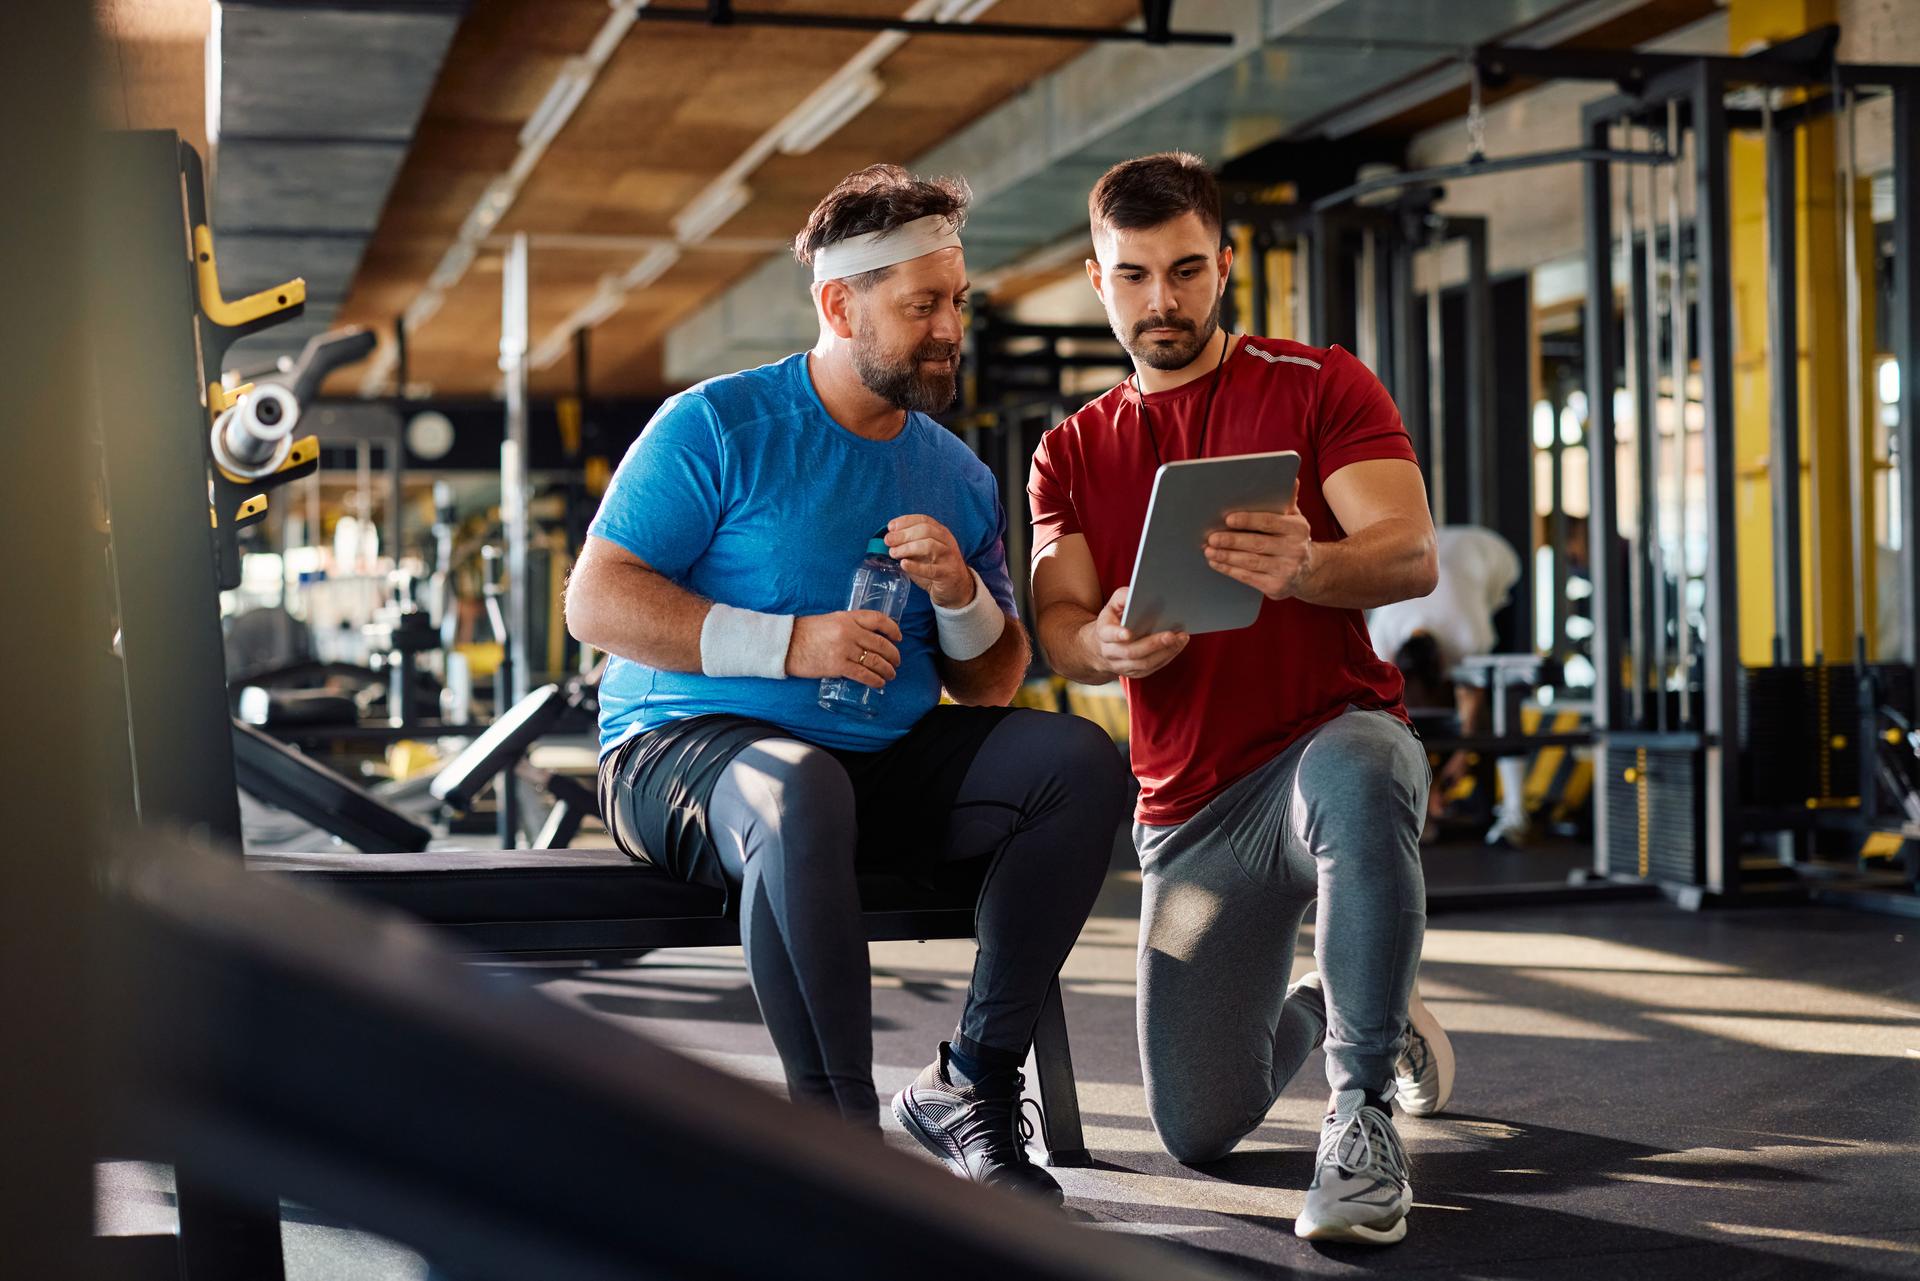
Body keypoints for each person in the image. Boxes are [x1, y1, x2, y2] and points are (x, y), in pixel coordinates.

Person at [567, 165, 1127, 1203]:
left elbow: (994, 679)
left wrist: (961, 593)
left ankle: (974, 1081)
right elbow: (595, 603)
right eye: (922, 306)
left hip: (873, 761)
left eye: (957, 301)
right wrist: (788, 645)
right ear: (839, 304)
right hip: (683, 750)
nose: (949, 327)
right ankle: (837, 1150)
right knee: (801, 791)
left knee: (1077, 764)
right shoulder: (720, 427)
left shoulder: (954, 474)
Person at [1027, 152, 1453, 1245]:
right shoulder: (1070, 452)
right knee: (1198, 1129)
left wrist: (1309, 568)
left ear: (1225, 265)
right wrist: (1107, 643)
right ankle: (1360, 1004)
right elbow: (1059, 626)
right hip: (1190, 813)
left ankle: (1359, 1121)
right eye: (1133, 276)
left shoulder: (1317, 386)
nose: (1159, 301)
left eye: (1183, 271)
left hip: (1328, 746)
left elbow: (1407, 557)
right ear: (1097, 279)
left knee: (1362, 776)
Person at [1368, 525, 1529, 846]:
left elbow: (1474, 699)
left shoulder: (1467, 635)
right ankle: (1443, 799)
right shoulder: (1380, 636)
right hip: (1442, 557)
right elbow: (1384, 713)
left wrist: (1461, 754)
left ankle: (1516, 814)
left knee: (1504, 694)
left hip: (1493, 559)